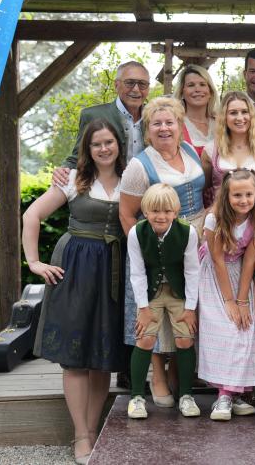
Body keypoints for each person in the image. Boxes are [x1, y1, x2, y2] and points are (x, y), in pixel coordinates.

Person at [24, 119, 127, 464]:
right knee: (75, 355)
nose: (103, 149)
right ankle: (80, 434)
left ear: (118, 144)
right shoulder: (72, 179)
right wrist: (34, 262)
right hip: (76, 268)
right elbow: (32, 215)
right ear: (87, 148)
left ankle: (94, 430)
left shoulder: (131, 178)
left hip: (114, 269)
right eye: (96, 144)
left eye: (109, 142)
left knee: (102, 356)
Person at [119, 97, 206, 407]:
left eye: (170, 122)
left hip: (194, 240)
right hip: (157, 243)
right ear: (147, 130)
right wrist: (149, 252)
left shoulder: (190, 151)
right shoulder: (139, 166)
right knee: (155, 312)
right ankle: (157, 377)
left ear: (180, 126)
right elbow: (127, 214)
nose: (164, 128)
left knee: (184, 313)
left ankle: (181, 380)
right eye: (156, 123)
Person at [126, 183, 201, 420]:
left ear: (176, 212)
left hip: (178, 291)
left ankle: (186, 395)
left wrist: (190, 308)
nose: (161, 216)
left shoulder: (187, 232)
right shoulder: (136, 233)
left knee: (185, 339)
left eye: (167, 211)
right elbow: (137, 272)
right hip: (152, 292)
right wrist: (143, 307)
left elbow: (192, 271)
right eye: (155, 211)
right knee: (145, 338)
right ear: (146, 212)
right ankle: (137, 397)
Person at [198, 169, 255, 421]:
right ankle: (224, 396)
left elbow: (249, 260)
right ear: (226, 196)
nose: (244, 200)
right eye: (237, 195)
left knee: (244, 328)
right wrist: (229, 301)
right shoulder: (214, 219)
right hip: (215, 275)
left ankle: (234, 392)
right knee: (225, 329)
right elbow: (217, 260)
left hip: (240, 273)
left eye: (249, 194)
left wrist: (242, 301)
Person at [54, 61, 150, 185]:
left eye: (142, 84)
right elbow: (79, 156)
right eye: (129, 83)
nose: (136, 89)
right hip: (106, 190)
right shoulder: (93, 116)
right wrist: (64, 169)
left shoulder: (155, 118)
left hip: (147, 191)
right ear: (116, 85)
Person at [202, 91, 255, 204]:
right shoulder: (210, 150)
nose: (240, 118)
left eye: (244, 112)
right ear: (224, 117)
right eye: (233, 113)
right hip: (219, 213)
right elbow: (204, 190)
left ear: (251, 115)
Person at [173, 64, 217, 157]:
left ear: (210, 92)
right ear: (182, 92)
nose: (197, 89)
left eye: (202, 84)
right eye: (191, 85)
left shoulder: (221, 123)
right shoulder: (175, 123)